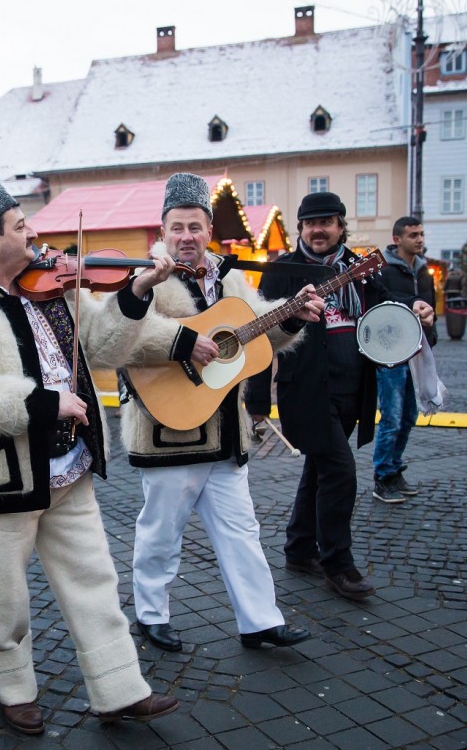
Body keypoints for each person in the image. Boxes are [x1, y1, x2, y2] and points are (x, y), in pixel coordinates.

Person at [0, 168, 179, 735]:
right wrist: (42, 403)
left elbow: (106, 348)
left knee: (95, 580)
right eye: (20, 224)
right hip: (5, 476)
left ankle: (119, 688)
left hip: (72, 468)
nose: (33, 232)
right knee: (1, 596)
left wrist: (134, 295)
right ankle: (12, 688)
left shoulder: (57, 287)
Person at [118, 173, 321, 653]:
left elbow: (254, 336)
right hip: (168, 427)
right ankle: (150, 613)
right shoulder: (144, 279)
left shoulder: (231, 277)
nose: (186, 236)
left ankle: (260, 621)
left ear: (209, 229)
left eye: (195, 226)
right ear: (162, 232)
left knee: (242, 530)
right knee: (161, 531)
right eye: (177, 227)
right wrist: (185, 343)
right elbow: (124, 341)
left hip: (225, 431)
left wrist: (289, 317)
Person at [248, 192, 405, 601]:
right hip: (305, 390)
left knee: (319, 468)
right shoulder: (282, 270)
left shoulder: (359, 267)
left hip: (353, 387)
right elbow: (261, 336)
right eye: (310, 223)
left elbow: (390, 315)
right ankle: (338, 564)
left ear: (340, 226)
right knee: (340, 470)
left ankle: (300, 549)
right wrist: (258, 401)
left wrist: (421, 312)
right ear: (300, 229)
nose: (318, 229)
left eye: (327, 222)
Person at [370, 217, 438, 504]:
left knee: (409, 415)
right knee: (392, 417)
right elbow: (377, 302)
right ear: (397, 239)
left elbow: (431, 305)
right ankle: (382, 476)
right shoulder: (380, 268)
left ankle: (395, 468)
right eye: (413, 235)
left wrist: (431, 327)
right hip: (390, 353)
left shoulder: (424, 271)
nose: (419, 239)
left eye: (421, 234)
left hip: (418, 350)